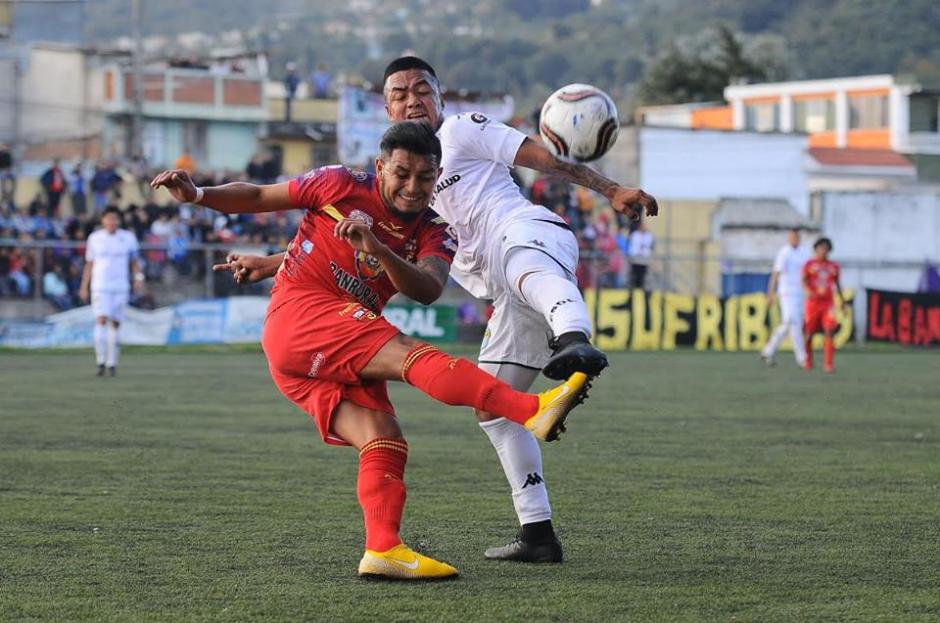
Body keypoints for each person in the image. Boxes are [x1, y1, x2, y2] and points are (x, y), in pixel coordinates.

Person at [222, 56, 659, 563]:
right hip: (501, 295)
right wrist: (275, 262)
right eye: (401, 93)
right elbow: (352, 240)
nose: (413, 100)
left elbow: (538, 156)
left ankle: (574, 340)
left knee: (518, 263)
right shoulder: (395, 174)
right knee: (491, 411)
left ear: (441, 97)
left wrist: (610, 190)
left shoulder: (461, 129)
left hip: (525, 234)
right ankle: (538, 533)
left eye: (422, 90)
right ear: (387, 107)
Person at [150, 122, 592, 580]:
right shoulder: (339, 183)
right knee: (404, 351)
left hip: (309, 359)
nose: (412, 187)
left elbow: (426, 289)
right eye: (401, 173)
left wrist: (377, 248)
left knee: (384, 437)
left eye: (425, 178)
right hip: (302, 316)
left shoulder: (437, 230)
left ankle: (382, 549)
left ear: (437, 175)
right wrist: (199, 194)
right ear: (381, 167)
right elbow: (259, 197)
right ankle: (529, 409)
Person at [79, 206, 144, 376]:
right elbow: (89, 263)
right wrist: (84, 286)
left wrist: (138, 278)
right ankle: (100, 361)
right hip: (100, 286)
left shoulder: (128, 238)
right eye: (108, 218)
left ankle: (112, 363)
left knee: (115, 323)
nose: (112, 222)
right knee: (100, 320)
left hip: (120, 286)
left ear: (118, 220)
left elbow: (135, 261)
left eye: (115, 218)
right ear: (103, 220)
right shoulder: (94, 238)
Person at [760, 228, 809, 367]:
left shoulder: (804, 252)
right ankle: (802, 358)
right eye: (792, 236)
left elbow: (808, 273)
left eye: (796, 236)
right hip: (787, 293)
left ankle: (768, 351)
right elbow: (775, 274)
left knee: (793, 324)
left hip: (800, 293)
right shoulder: (784, 252)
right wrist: (771, 293)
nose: (794, 239)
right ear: (789, 238)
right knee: (790, 320)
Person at [803, 237, 846, 374]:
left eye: (826, 248)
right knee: (809, 334)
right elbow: (804, 280)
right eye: (821, 248)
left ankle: (828, 364)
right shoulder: (809, 264)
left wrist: (843, 301)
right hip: (813, 304)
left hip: (828, 304)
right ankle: (808, 361)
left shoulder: (833, 266)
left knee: (829, 331)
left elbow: (837, 284)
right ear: (816, 249)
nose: (823, 251)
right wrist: (808, 291)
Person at [628, 220, 654, 290]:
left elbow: (651, 246)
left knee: (643, 275)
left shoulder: (649, 235)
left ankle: (641, 287)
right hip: (635, 259)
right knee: (634, 275)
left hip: (644, 259)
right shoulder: (635, 235)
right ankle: (634, 288)